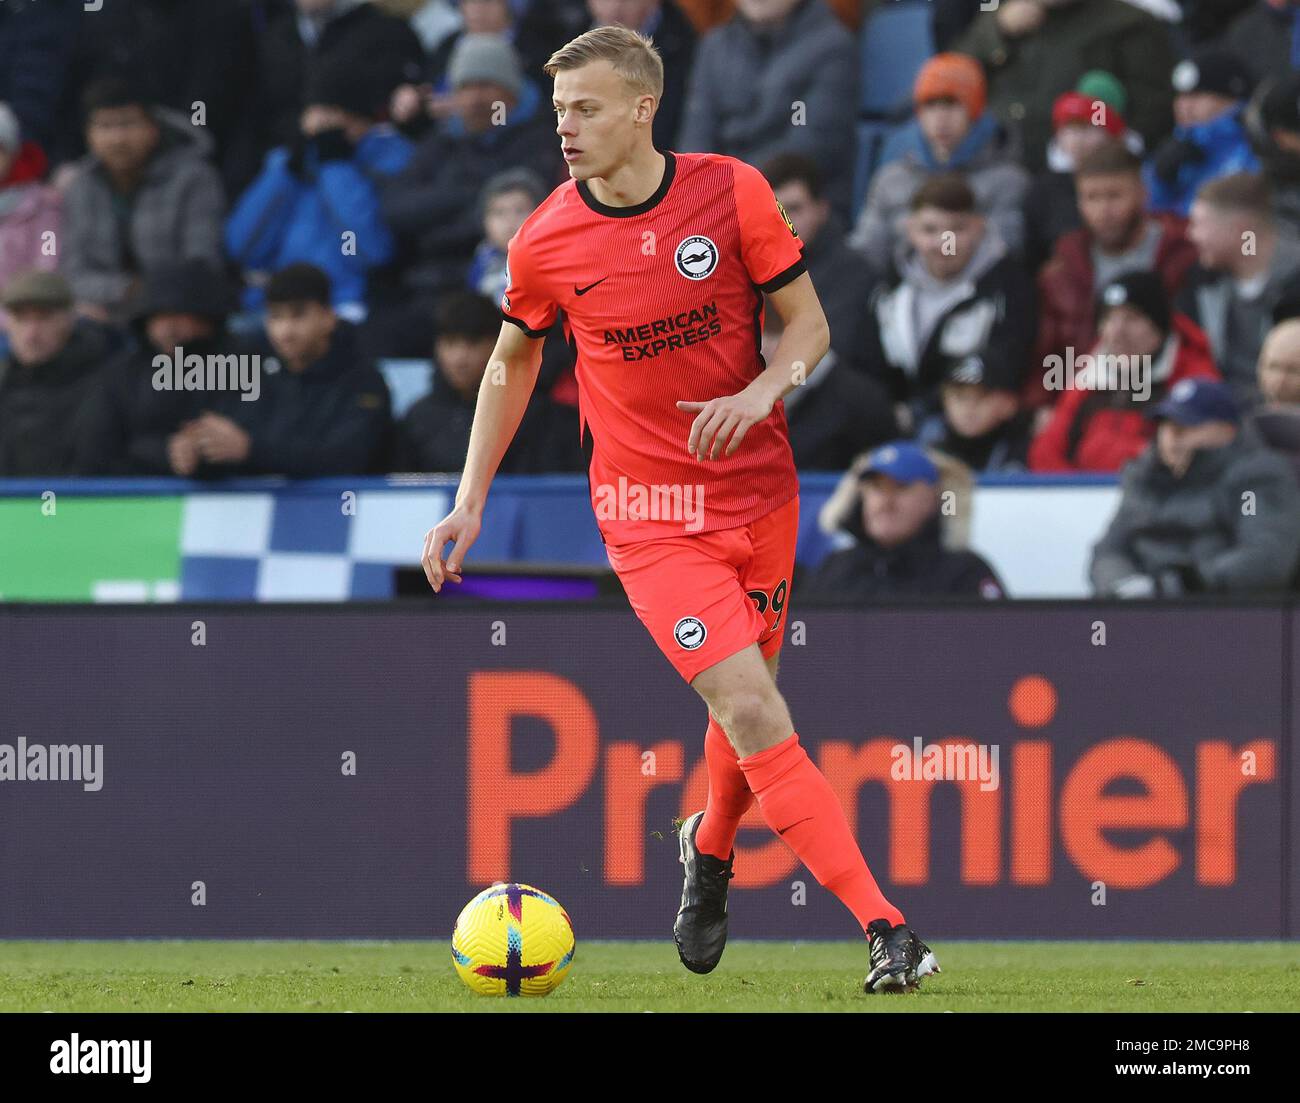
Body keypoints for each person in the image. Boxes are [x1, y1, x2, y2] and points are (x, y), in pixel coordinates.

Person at [419, 25, 938, 993]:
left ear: (642, 108)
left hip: (759, 494)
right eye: (560, 109)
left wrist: (761, 391)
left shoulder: (732, 191)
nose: (565, 128)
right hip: (647, 512)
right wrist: (467, 501)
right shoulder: (544, 238)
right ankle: (887, 925)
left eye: (586, 108)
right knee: (749, 701)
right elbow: (511, 359)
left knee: (748, 710)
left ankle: (709, 846)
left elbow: (809, 325)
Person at [225, 59, 414, 321]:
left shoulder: (392, 158)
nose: (319, 127)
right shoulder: (292, 163)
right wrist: (285, 173)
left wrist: (335, 164)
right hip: (276, 306)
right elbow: (243, 247)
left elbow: (371, 251)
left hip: (349, 304)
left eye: (333, 117)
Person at [170, 264, 392, 478]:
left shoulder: (364, 381)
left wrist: (250, 449)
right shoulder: (253, 375)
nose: (285, 331)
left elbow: (348, 458)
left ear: (328, 317)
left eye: (298, 315)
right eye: (276, 317)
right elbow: (233, 451)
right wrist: (198, 455)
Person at [1090, 378, 1300, 595]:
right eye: (1165, 426)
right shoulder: (1145, 477)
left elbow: (1265, 556)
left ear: (1227, 430)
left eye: (1186, 426)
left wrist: (1183, 585)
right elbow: (1109, 550)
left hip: (1218, 613)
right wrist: (1123, 585)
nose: (1172, 437)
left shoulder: (1254, 480)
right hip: (1138, 611)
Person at [861, 173, 1036, 427]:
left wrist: (922, 411)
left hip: (975, 432)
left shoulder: (1009, 287)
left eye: (957, 229)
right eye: (930, 230)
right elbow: (867, 362)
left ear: (979, 227)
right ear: (910, 230)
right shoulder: (888, 287)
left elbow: (1007, 368)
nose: (944, 243)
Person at [59, 77, 225, 325]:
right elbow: (72, 274)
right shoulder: (81, 186)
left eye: (127, 124)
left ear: (153, 127)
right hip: (100, 314)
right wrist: (125, 290)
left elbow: (202, 264)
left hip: (179, 313)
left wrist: (148, 298)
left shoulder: (194, 179)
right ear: (89, 135)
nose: (117, 139)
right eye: (104, 126)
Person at [1034, 144, 1197, 389]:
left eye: (1114, 195)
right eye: (1092, 197)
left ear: (1143, 193)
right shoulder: (1061, 269)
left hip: (1164, 393)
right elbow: (1045, 358)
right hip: (1083, 401)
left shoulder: (1183, 255)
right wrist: (1044, 405)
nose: (1103, 211)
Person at [848, 52, 1031, 270]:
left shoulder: (1007, 181)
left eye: (952, 104)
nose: (941, 118)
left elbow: (1006, 255)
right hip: (899, 298)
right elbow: (865, 257)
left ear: (975, 110)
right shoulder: (891, 179)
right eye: (930, 105)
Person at [677, 0, 858, 215]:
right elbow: (696, 139)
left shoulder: (832, 47)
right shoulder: (714, 46)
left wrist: (727, 190)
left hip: (790, 210)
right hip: (717, 204)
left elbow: (808, 147)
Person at [1030, 270, 1220, 472]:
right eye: (1109, 319)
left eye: (1132, 318)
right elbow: (1045, 453)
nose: (1117, 332)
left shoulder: (1195, 381)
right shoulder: (1090, 377)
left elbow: (1201, 460)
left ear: (1160, 328)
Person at [954, 0, 1176, 168]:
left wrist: (1108, 159)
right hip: (993, 165)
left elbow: (1154, 113)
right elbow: (951, 78)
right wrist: (997, 30)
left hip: (1082, 174)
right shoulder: (1001, 11)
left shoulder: (1129, 23)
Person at [81, 259, 238, 476]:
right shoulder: (122, 375)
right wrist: (166, 454)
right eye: (159, 317)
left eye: (180, 315)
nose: (169, 328)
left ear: (207, 317)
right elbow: (96, 453)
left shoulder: (240, 367)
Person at [805, 441, 1006, 600]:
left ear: (935, 498)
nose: (885, 501)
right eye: (876, 488)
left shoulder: (964, 573)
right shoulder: (835, 568)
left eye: (900, 487)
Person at [1179, 172, 1300, 406]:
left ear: (1241, 230)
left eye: (1199, 224)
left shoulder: (1295, 285)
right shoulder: (1202, 282)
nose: (1190, 235)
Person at [762, 153, 875, 375]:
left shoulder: (853, 272)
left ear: (821, 209)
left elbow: (827, 351)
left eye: (793, 209)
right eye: (775, 210)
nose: (785, 221)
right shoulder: (748, 265)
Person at [0, 271, 121, 476]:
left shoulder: (107, 382)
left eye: (42, 319)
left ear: (68, 319)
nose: (31, 334)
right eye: (21, 319)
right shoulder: (5, 382)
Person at [1144, 51, 1259, 218]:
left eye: (1196, 96)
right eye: (1180, 96)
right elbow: (1144, 218)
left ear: (1230, 99)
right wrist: (1160, 181)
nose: (1185, 106)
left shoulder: (1254, 148)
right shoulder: (1178, 146)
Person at [916, 354, 1034, 472]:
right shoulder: (928, 441)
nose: (969, 408)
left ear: (1008, 403)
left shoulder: (1024, 448)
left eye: (982, 397)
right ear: (944, 400)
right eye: (960, 397)